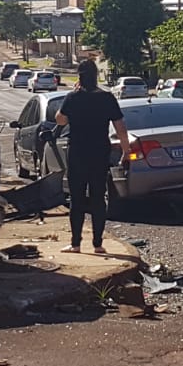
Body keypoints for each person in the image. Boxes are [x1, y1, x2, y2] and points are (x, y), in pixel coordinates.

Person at [54, 60, 129, 254]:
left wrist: (74, 93)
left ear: (79, 76)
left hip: (77, 152)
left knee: (77, 199)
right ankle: (98, 244)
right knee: (97, 198)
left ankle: (76, 243)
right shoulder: (107, 98)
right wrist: (126, 151)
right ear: (96, 76)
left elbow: (60, 119)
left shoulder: (72, 97)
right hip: (99, 153)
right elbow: (120, 127)